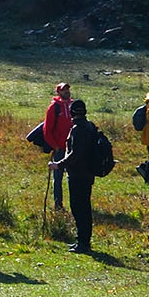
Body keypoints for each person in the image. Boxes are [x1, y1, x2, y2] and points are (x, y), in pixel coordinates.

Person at [56, 100, 103, 254]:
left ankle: (83, 242)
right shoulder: (90, 126)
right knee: (85, 208)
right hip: (88, 174)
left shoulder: (78, 129)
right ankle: (83, 241)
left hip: (78, 175)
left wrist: (59, 164)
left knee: (78, 208)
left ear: (72, 113)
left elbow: (75, 154)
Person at [42, 83, 74, 211]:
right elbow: (47, 130)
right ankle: (58, 205)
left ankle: (74, 204)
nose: (67, 92)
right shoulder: (54, 108)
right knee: (58, 177)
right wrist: (54, 146)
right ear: (58, 92)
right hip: (59, 149)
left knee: (73, 177)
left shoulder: (73, 106)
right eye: (64, 90)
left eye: (67, 89)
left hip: (72, 148)